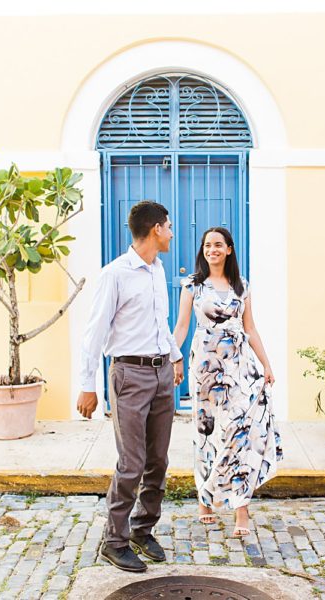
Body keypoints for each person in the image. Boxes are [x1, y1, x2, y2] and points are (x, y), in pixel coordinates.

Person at [77, 200, 184, 573]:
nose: (172, 232)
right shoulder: (115, 274)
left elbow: (159, 322)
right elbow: (95, 333)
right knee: (132, 463)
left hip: (160, 375)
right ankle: (114, 540)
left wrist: (173, 355)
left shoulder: (156, 270)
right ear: (155, 229)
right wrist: (87, 385)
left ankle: (142, 529)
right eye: (168, 226)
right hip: (129, 375)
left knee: (157, 462)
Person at [172, 227, 283, 538]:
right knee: (205, 433)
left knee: (240, 433)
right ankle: (205, 500)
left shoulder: (241, 286)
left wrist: (266, 363)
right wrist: (173, 357)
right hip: (204, 368)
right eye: (208, 245)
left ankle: (240, 506)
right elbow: (181, 327)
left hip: (238, 369)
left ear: (229, 249)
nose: (212, 250)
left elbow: (251, 329)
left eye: (218, 245)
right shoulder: (192, 286)